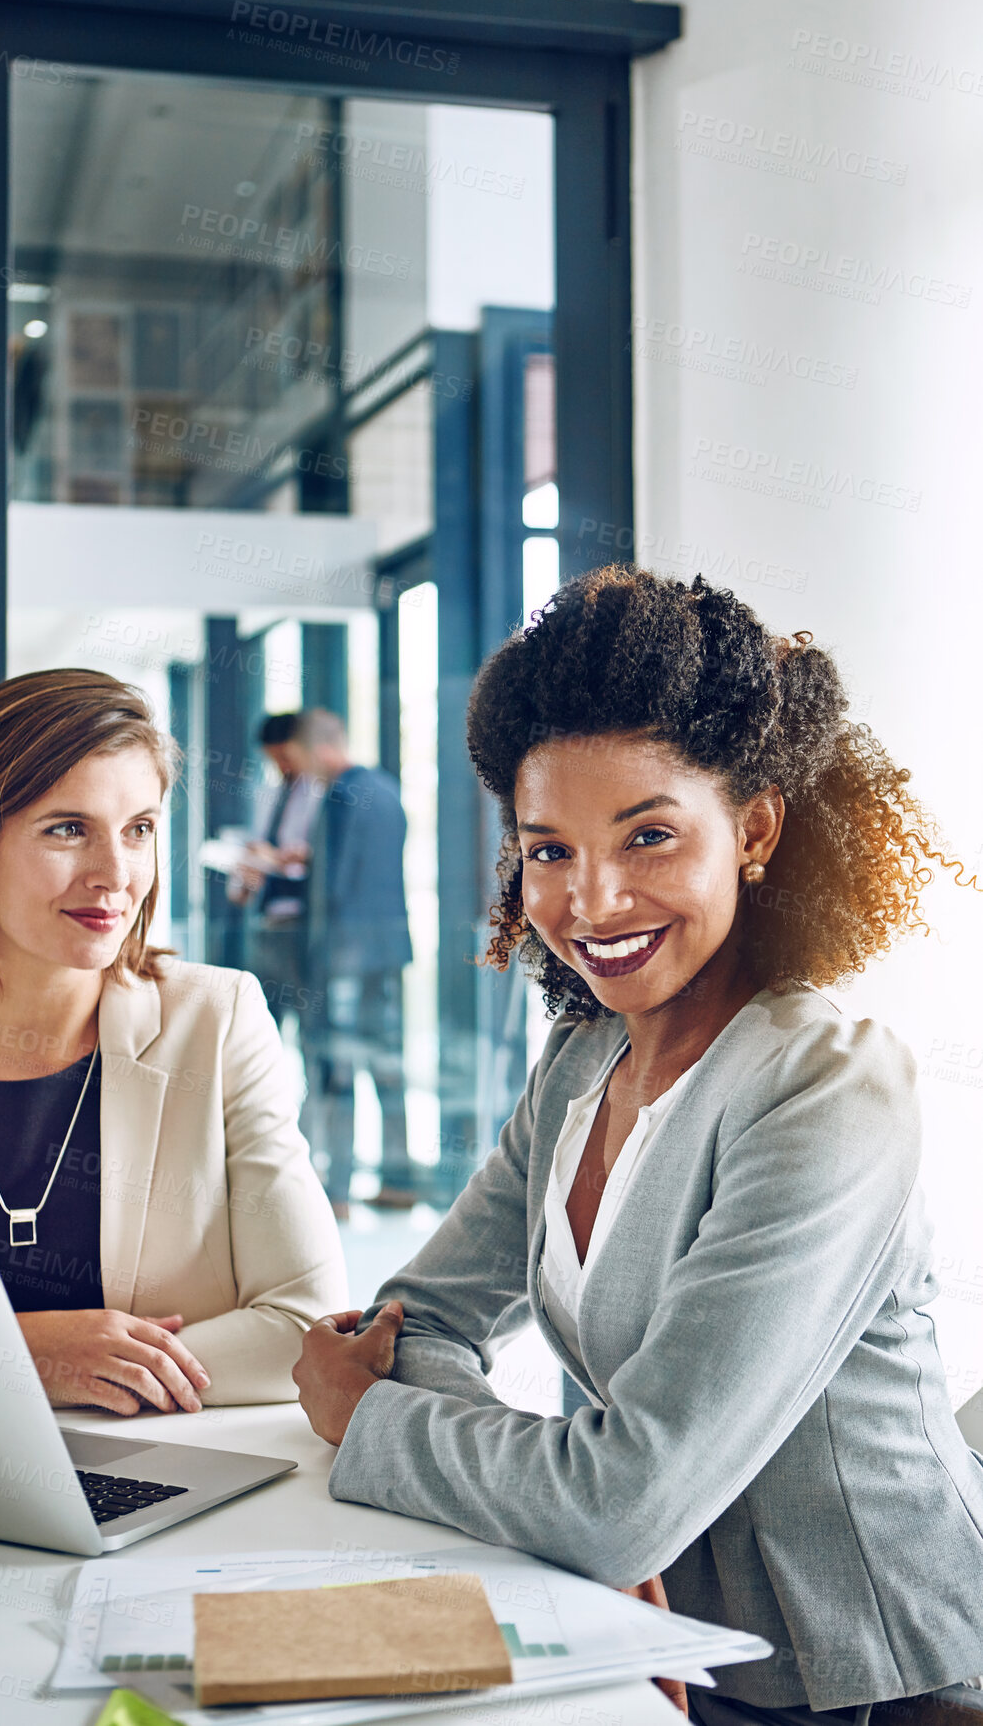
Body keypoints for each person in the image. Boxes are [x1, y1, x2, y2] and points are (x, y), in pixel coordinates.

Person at [293, 567, 983, 1725]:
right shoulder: (581, 1062)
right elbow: (415, 1321)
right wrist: (576, 1508)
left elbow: (616, 1498)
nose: (590, 900)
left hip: (859, 1677)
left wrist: (370, 1421)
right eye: (548, 850)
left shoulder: (825, 1087)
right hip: (644, 1635)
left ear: (752, 827)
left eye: (648, 836)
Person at [0, 668, 347, 1413]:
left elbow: (308, 1325)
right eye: (67, 828)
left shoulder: (218, 1020)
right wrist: (27, 1356)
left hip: (175, 1486)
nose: (116, 875)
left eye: (138, 828)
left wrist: (74, 1366)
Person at [295, 709, 414, 1221]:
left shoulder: (341, 795)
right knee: (387, 1068)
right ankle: (399, 1180)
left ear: (318, 750)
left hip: (343, 953)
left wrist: (317, 954)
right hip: (386, 955)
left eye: (301, 761)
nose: (304, 774)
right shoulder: (387, 790)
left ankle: (336, 1189)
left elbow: (335, 883)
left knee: (336, 1071)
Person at [228, 711, 319, 1035]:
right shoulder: (269, 794)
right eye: (273, 759)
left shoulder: (321, 792)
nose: (281, 766)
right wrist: (243, 879)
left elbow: (318, 858)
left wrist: (286, 858)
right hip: (266, 919)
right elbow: (258, 845)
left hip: (302, 922)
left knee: (308, 1016)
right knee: (265, 1018)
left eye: (284, 756)